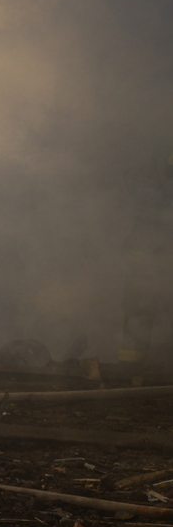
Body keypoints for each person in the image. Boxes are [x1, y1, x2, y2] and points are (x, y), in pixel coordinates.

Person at [118, 143, 173, 370]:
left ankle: (133, 368)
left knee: (142, 311)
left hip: (147, 255)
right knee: (140, 311)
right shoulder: (153, 187)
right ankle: (130, 369)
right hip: (147, 256)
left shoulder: (148, 181)